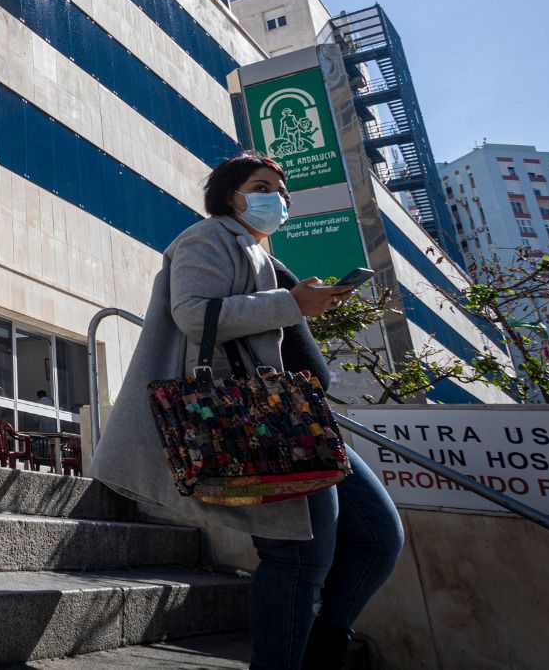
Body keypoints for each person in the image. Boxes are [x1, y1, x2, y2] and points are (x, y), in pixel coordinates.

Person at [91, 153, 404, 670]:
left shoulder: (259, 251)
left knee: (378, 536)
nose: (276, 200)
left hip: (295, 416)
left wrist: (306, 304)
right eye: (261, 188)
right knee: (297, 556)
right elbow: (194, 315)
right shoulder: (207, 238)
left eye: (282, 193)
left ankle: (322, 647)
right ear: (229, 195)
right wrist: (293, 305)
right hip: (253, 420)